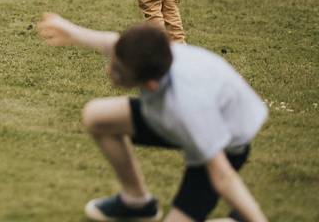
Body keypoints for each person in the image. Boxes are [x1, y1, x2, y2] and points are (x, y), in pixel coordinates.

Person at [37, 14, 269, 222]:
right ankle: (137, 203)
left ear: (149, 84)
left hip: (226, 143)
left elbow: (223, 177)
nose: (109, 71)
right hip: (173, 116)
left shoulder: (187, 109)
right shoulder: (148, 55)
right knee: (97, 116)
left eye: (118, 70)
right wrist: (67, 29)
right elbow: (113, 43)